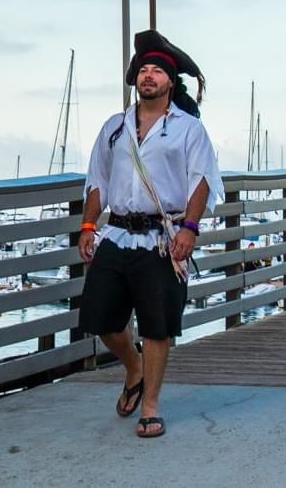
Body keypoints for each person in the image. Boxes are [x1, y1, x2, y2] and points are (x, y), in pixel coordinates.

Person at [77, 30, 223, 438]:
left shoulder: (189, 129)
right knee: (102, 317)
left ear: (170, 82)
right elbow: (96, 181)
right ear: (135, 79)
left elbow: (203, 182)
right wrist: (88, 225)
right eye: (144, 70)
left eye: (157, 70)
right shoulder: (114, 127)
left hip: (163, 237)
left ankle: (152, 405)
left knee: (158, 326)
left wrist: (190, 229)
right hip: (118, 234)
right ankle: (134, 367)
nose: (149, 76)